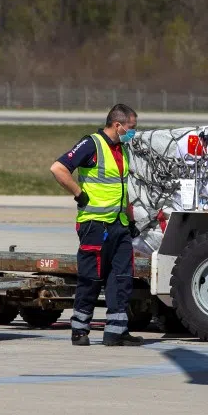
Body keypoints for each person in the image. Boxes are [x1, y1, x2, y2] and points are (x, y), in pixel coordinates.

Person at [50, 104, 142, 346]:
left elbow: (123, 189)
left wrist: (131, 221)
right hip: (95, 225)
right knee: (91, 278)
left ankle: (116, 331)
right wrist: (79, 194)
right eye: (131, 128)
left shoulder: (123, 149)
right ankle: (79, 329)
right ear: (117, 125)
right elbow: (58, 168)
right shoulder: (92, 144)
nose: (133, 133)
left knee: (121, 278)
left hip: (119, 224)